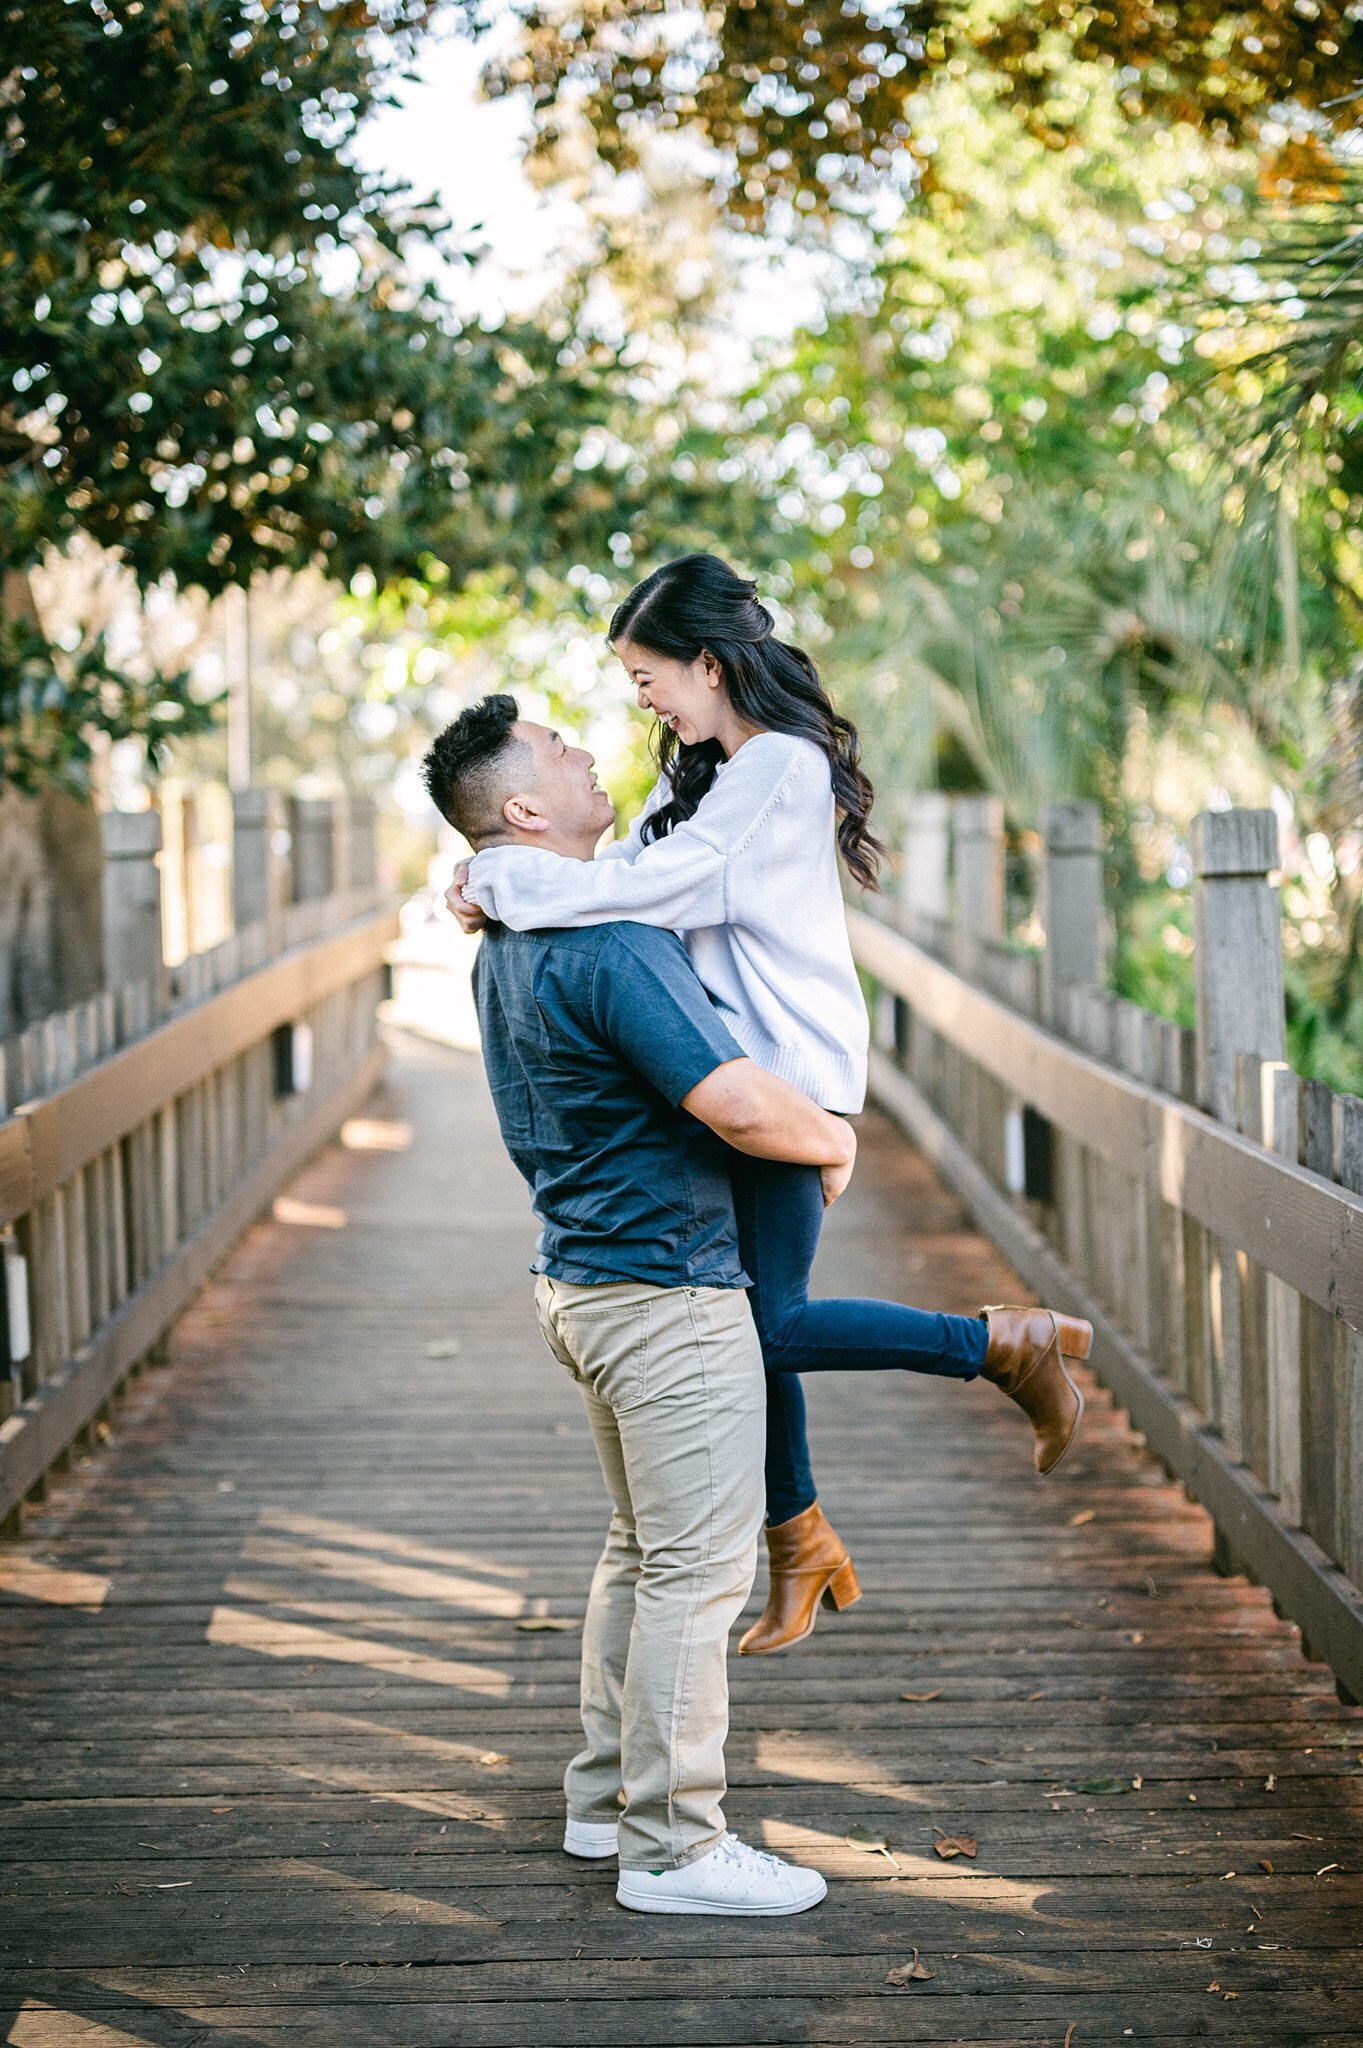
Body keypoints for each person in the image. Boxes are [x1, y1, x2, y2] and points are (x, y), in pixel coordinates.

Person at [450, 554, 1093, 1656]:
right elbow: (608, 864)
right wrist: (471, 869)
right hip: (726, 1084)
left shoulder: (779, 768)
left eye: (648, 675)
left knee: (768, 1324)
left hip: (779, 1084)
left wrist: (494, 875)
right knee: (752, 1323)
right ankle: (796, 1535)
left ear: (707, 662)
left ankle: (1001, 1344)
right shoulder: (697, 775)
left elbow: (650, 888)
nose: (638, 699)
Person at [421, 693, 855, 1915]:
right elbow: (731, 1098)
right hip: (664, 1291)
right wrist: (827, 1136)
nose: (583, 748)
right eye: (557, 750)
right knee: (694, 1574)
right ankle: (675, 1845)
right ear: (520, 810)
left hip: (581, 1281)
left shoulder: (509, 928)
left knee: (640, 1551)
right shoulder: (606, 941)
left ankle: (604, 1799)